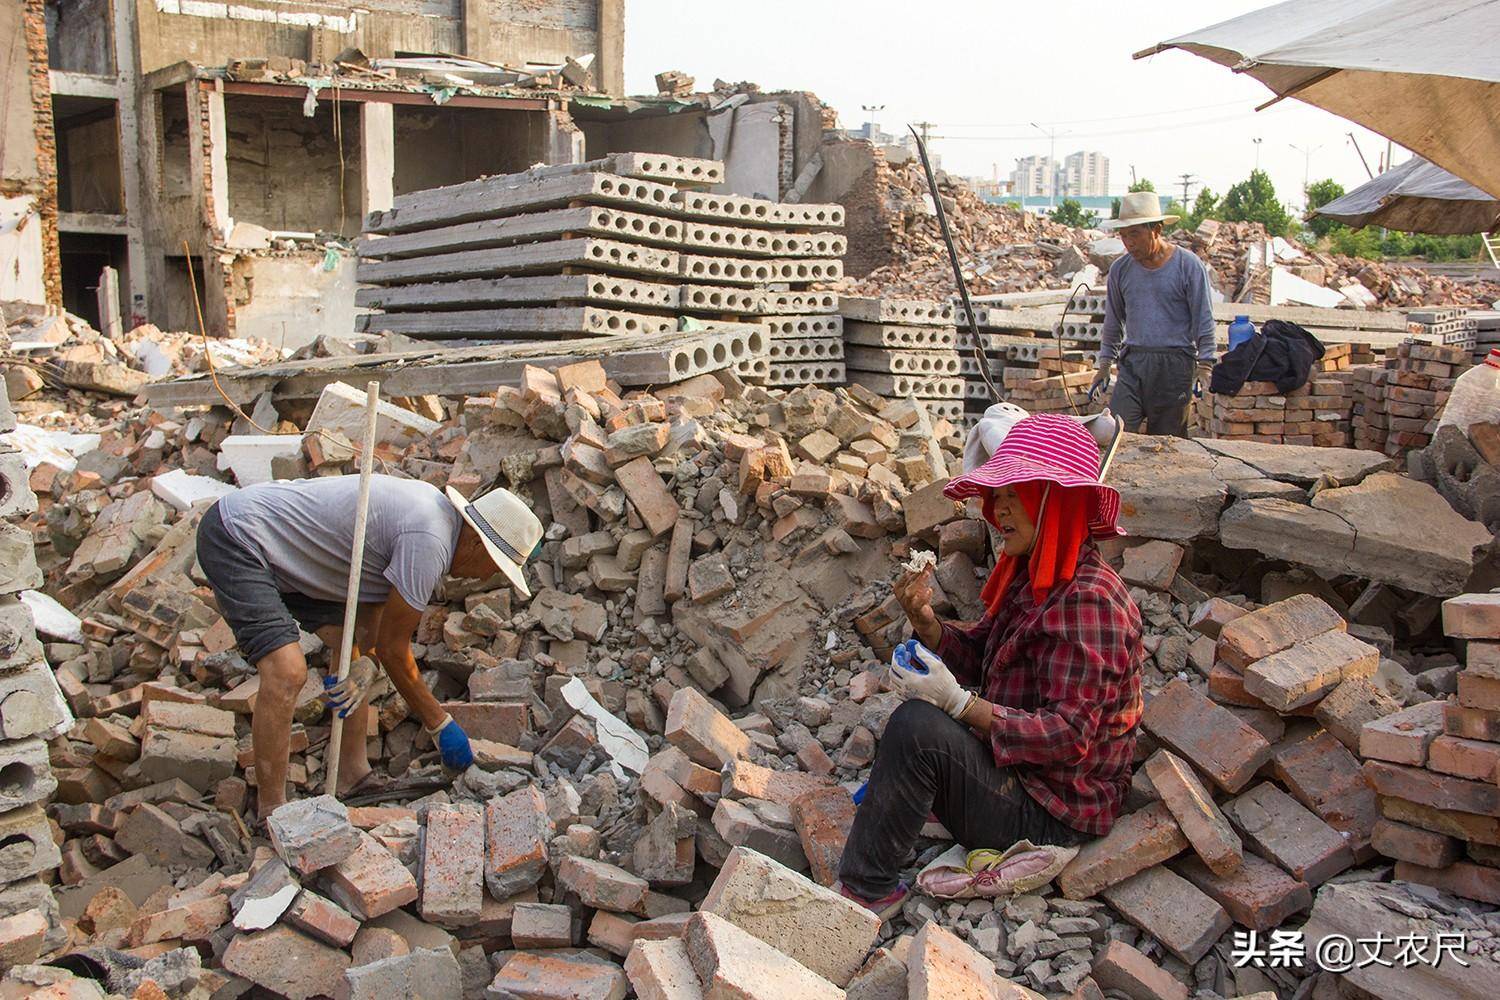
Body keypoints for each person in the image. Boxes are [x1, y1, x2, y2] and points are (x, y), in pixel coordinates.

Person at [837, 414, 1145, 917]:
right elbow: (984, 654)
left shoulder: (1090, 602)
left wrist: (958, 704)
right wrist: (927, 621)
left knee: (917, 728)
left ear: (1053, 500)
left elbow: (1069, 734)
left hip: (1054, 809)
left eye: (1012, 495)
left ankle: (865, 895)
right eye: (996, 496)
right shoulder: (1038, 573)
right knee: (921, 723)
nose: (997, 510)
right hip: (1023, 776)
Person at [196, 474, 542, 818]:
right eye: (495, 567)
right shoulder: (430, 540)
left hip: (298, 556)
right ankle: (273, 810)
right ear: (477, 544)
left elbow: (372, 618)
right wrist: (440, 725)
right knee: (287, 671)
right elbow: (393, 650)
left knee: (350, 651)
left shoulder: (433, 517)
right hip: (240, 536)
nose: (486, 578)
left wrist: (368, 658)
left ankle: (352, 775)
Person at [1089, 190, 1216, 437]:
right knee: (1116, 433)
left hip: (1175, 365)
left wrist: (1206, 366)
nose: (1129, 243)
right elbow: (1113, 321)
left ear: (1156, 230)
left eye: (1135, 234)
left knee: (1166, 442)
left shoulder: (1187, 266)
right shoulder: (1120, 270)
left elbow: (1204, 319)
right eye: (1123, 236)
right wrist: (1104, 365)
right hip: (1134, 363)